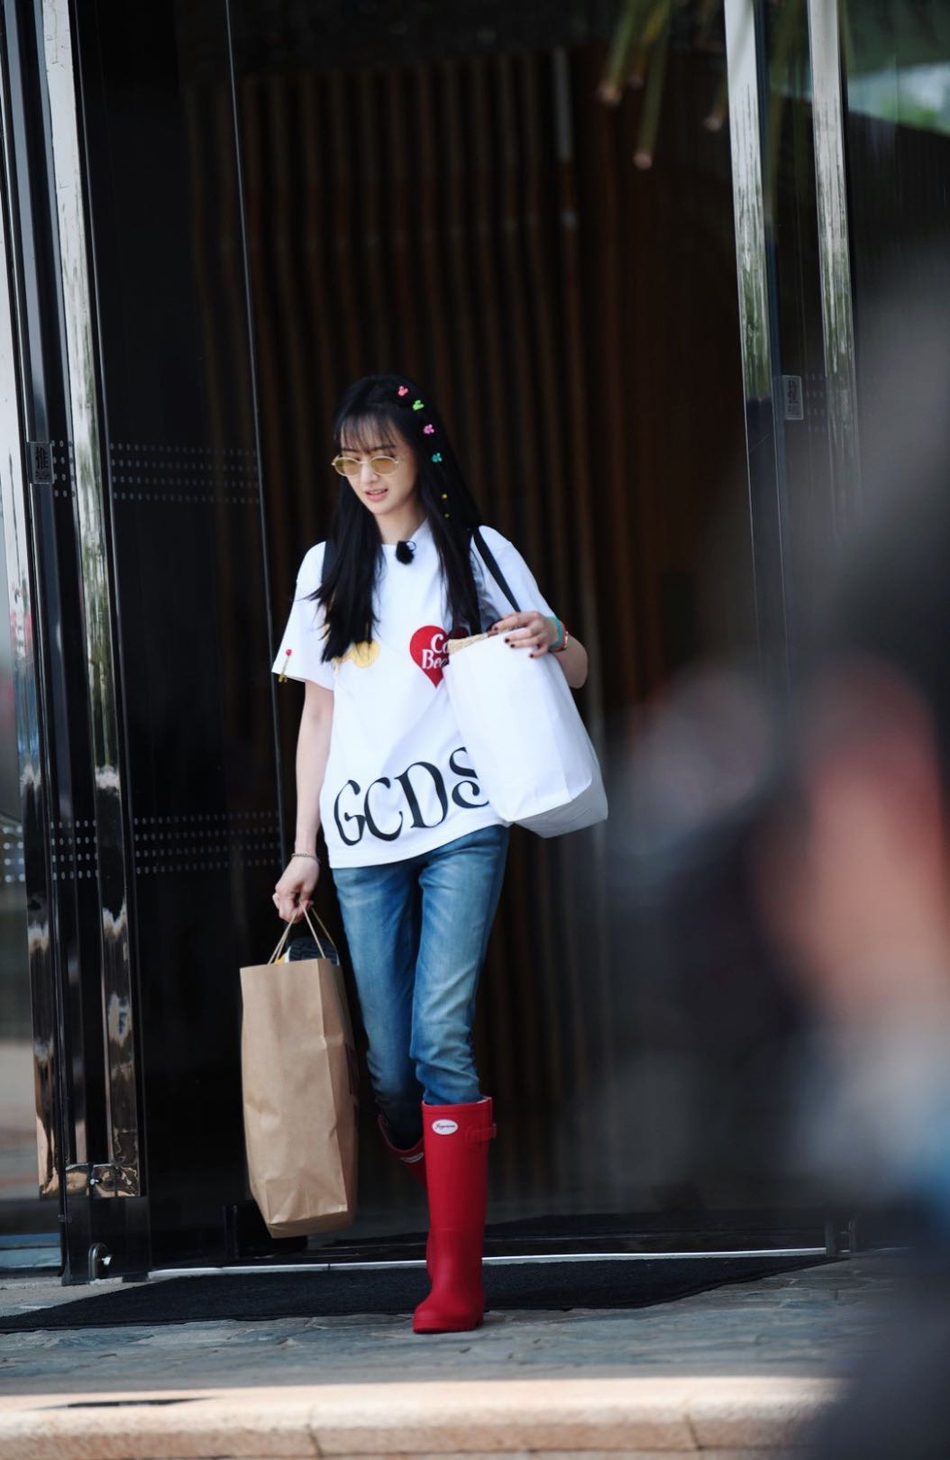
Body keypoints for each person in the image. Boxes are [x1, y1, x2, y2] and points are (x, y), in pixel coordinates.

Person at [270, 372, 588, 1334]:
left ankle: (456, 1277)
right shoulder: (328, 568)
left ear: (422, 455)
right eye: (351, 458)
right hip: (363, 839)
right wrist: (302, 852)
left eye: (385, 454)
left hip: (463, 823)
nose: (368, 475)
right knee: (391, 1067)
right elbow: (316, 719)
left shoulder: (477, 552)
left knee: (442, 1033)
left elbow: (572, 666)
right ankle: (407, 1129)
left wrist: (553, 634)